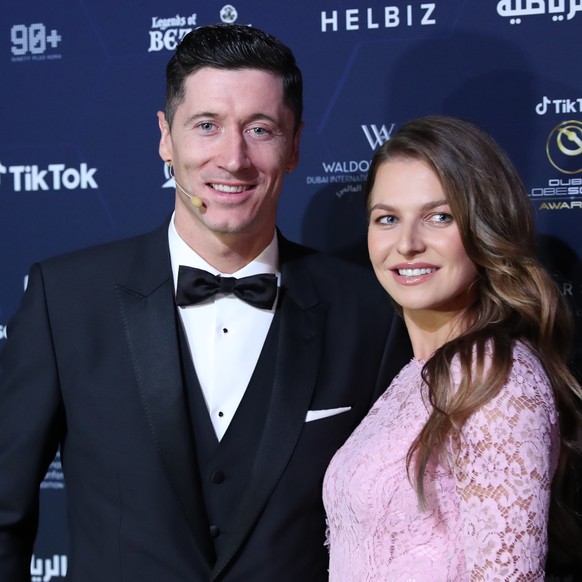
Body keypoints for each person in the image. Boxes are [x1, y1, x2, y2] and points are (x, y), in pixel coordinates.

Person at [0, 24, 408, 582]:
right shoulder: (65, 300)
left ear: (293, 145)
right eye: (207, 126)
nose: (233, 158)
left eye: (260, 129)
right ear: (166, 137)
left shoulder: (370, 311)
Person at [323, 115, 582, 580]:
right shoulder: (415, 373)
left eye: (438, 217)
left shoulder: (496, 378)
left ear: (484, 226)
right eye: (387, 219)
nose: (406, 244)